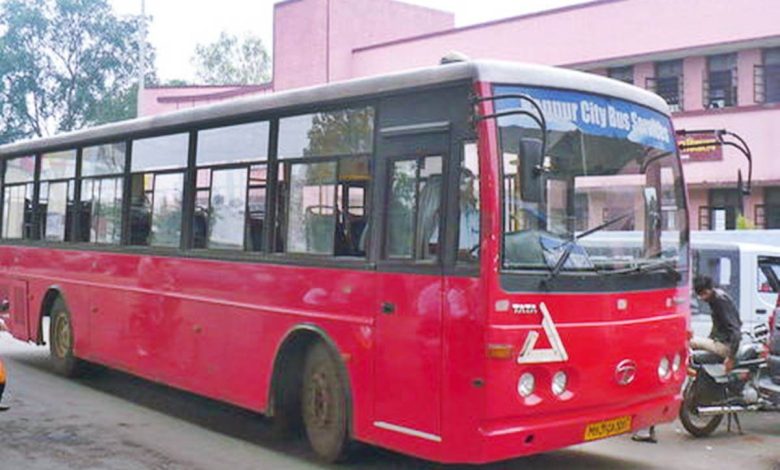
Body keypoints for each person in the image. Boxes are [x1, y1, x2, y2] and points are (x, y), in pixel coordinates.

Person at [692, 275, 742, 372]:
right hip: (720, 342)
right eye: (700, 295)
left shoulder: (720, 301)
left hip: (726, 347)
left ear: (710, 289)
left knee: (690, 342)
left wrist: (730, 358)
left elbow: (735, 331)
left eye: (704, 294)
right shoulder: (715, 299)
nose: (702, 298)